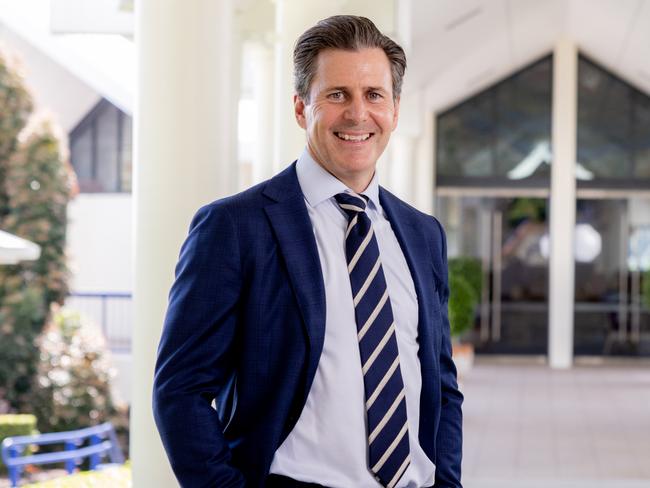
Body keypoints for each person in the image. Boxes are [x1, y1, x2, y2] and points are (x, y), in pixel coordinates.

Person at [153, 15, 463, 488]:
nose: (358, 114)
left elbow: (442, 387)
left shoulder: (423, 234)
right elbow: (181, 390)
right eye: (337, 94)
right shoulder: (235, 227)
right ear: (301, 108)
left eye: (373, 95)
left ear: (395, 110)